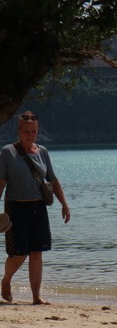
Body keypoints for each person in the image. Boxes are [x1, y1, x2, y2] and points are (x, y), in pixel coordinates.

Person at [0, 111, 71, 304]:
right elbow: (2, 182)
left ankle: (36, 297)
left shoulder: (43, 152)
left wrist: (64, 204)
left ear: (37, 131)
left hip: (39, 209)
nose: (29, 135)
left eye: (33, 132)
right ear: (19, 130)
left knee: (37, 253)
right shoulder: (8, 152)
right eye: (26, 132)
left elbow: (53, 180)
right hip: (16, 209)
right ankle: (5, 280)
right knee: (19, 254)